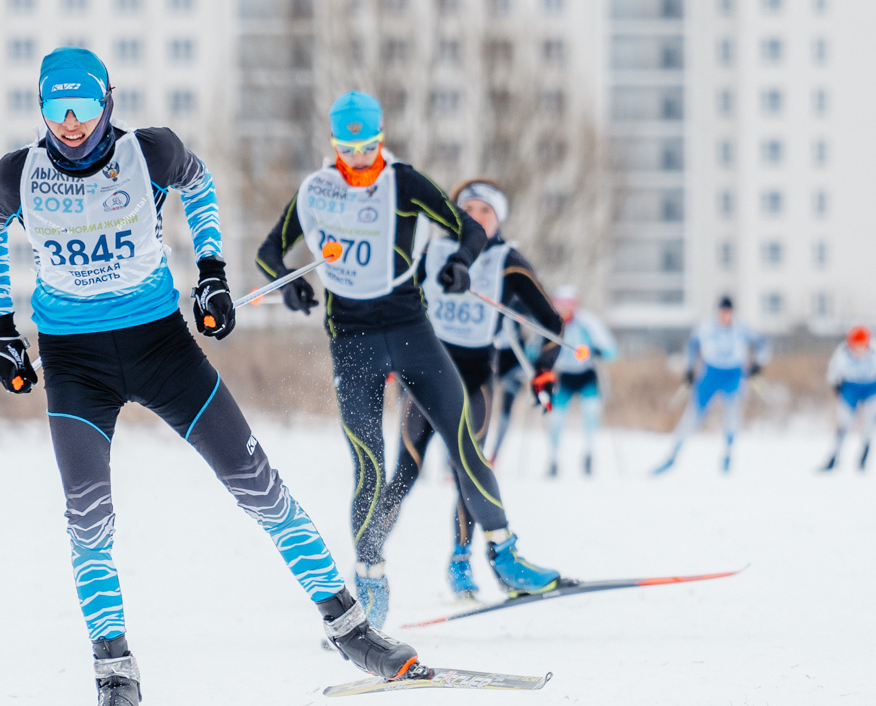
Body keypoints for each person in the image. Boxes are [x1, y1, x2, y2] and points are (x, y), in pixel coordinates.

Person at [0, 50, 419, 706]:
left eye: (83, 109)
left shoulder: (149, 151)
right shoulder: (17, 174)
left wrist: (211, 271)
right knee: (87, 518)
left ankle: (351, 629)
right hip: (72, 362)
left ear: (108, 102)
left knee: (260, 488)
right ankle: (115, 676)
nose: (69, 125)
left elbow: (200, 184)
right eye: (56, 110)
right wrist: (2, 328)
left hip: (162, 346)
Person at [256, 90, 564, 627]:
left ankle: (505, 554)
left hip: (410, 331)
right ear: (334, 144)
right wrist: (286, 288)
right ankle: (370, 577)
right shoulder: (317, 191)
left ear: (380, 139)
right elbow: (269, 252)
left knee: (466, 443)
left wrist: (464, 262)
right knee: (370, 466)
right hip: (351, 341)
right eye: (347, 148)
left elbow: (465, 228)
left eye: (368, 146)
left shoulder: (404, 182)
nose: (358, 158)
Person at [362, 177, 564, 604]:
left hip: (473, 381)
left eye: (484, 211)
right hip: (423, 378)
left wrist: (544, 369)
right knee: (404, 472)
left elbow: (551, 322)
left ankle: (463, 562)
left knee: (467, 468)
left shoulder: (507, 261)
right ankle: (369, 563)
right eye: (466, 209)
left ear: (497, 220)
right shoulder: (431, 252)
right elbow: (392, 305)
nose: (473, 217)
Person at [654, 297, 769, 473]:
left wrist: (757, 365)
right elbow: (692, 346)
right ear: (717, 313)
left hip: (733, 374)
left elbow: (762, 342)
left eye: (728, 313)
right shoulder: (706, 327)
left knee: (732, 415)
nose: (725, 317)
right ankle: (673, 455)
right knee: (693, 415)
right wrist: (690, 369)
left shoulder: (742, 327)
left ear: (732, 313)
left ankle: (728, 455)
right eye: (722, 313)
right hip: (711, 373)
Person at [542, 285, 619, 478]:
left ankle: (589, 454)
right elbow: (536, 350)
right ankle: (553, 459)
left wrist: (597, 351)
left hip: (586, 375)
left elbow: (611, 350)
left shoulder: (587, 322)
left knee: (591, 413)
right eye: (559, 305)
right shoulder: (551, 323)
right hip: (564, 376)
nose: (564, 309)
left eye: (568, 305)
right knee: (556, 419)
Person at [820, 325, 876, 471]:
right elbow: (832, 375)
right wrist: (839, 391)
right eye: (855, 347)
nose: (859, 350)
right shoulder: (842, 353)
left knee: (870, 417)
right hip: (851, 387)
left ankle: (864, 455)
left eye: (862, 346)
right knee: (844, 421)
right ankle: (834, 456)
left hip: (873, 386)